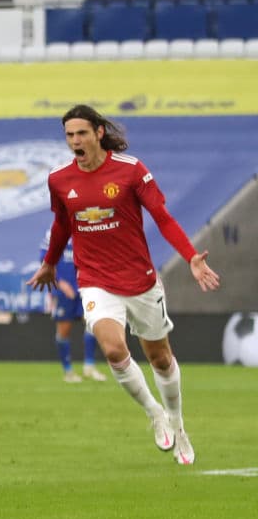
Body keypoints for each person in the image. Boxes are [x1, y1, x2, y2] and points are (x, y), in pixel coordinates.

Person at [27, 104, 221, 466]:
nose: (75, 142)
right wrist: (50, 263)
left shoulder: (132, 171)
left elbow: (162, 218)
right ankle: (154, 414)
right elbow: (61, 225)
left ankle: (178, 424)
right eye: (69, 135)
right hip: (96, 281)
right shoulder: (59, 179)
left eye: (81, 133)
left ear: (99, 133)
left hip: (140, 281)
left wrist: (190, 255)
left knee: (160, 359)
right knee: (114, 351)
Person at [39, 230, 105, 383]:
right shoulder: (54, 231)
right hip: (63, 291)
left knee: (92, 323)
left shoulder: (85, 227)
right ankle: (68, 371)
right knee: (64, 330)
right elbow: (44, 260)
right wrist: (60, 282)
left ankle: (89, 366)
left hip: (85, 286)